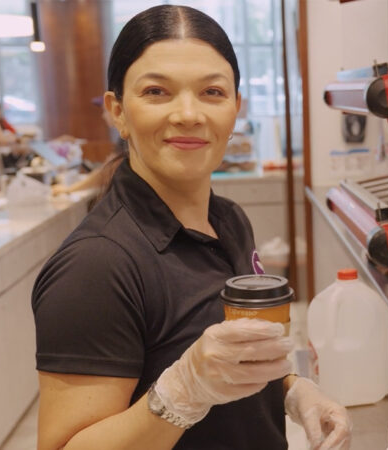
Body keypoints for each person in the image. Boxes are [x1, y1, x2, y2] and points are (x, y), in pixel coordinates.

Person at [32, 5, 351, 450]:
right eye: (157, 92)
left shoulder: (230, 220)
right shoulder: (96, 265)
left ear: (236, 108)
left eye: (212, 93)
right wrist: (180, 392)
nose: (188, 114)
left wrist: (293, 388)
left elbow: (236, 357)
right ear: (117, 111)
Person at [50, 96, 127, 196]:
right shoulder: (124, 136)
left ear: (117, 109)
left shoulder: (127, 137)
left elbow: (106, 172)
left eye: (104, 110)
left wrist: (68, 189)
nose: (103, 116)